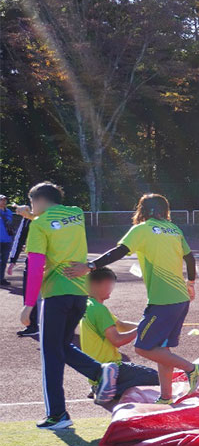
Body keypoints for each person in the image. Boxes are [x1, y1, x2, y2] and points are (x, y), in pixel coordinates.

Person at [67, 193, 199, 406]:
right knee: (162, 350)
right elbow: (190, 257)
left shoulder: (142, 229)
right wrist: (191, 283)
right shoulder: (174, 229)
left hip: (163, 301)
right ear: (164, 210)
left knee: (143, 347)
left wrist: (90, 266)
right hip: (180, 299)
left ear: (142, 210)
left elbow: (118, 252)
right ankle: (166, 397)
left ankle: (192, 369)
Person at [20, 181, 109, 430]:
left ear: (36, 200)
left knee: (50, 353)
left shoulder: (38, 225)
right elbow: (55, 221)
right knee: (60, 346)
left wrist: (29, 305)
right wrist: (31, 214)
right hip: (79, 294)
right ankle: (101, 372)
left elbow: (36, 266)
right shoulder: (76, 213)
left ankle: (57, 414)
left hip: (55, 294)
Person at [79, 267, 160, 404]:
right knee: (157, 378)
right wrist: (141, 330)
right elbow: (117, 340)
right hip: (112, 368)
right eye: (109, 284)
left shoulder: (89, 305)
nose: (111, 288)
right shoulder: (99, 310)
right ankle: (109, 388)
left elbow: (120, 324)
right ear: (99, 284)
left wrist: (145, 326)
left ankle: (100, 385)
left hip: (95, 369)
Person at [8, 208, 37, 336]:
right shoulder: (27, 220)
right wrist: (13, 260)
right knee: (29, 291)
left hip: (54, 263)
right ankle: (32, 325)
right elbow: (19, 238)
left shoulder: (55, 217)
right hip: (34, 261)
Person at [0, 194, 13, 285]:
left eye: (5, 200)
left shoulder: (9, 212)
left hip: (7, 239)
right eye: (2, 200)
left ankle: (1, 278)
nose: (4, 202)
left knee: (4, 261)